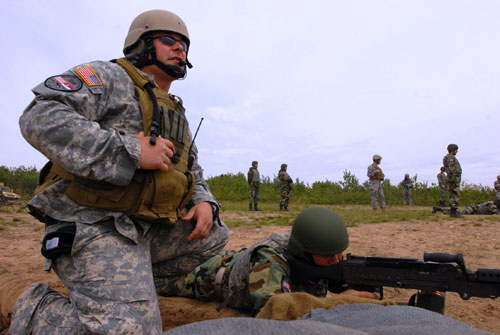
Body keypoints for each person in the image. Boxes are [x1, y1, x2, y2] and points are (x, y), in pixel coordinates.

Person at [3, 10, 229, 334]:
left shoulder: (174, 111)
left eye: (184, 44)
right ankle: (18, 299)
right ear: (142, 45)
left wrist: (204, 200)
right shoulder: (109, 77)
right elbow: (40, 116)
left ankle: (125, 287)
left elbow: (191, 167)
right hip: (92, 222)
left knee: (215, 234)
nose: (180, 49)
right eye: (169, 40)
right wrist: (131, 151)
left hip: (140, 227)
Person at [159, 207, 379, 316]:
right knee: (163, 283)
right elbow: (272, 311)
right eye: (329, 256)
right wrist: (339, 301)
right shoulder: (270, 259)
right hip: (206, 275)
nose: (336, 260)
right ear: (304, 252)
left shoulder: (317, 252)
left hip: (238, 260)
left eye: (340, 253)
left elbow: (342, 281)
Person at [443, 144, 462, 217]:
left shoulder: (447, 158)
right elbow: (451, 169)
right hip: (454, 179)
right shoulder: (451, 158)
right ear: (453, 150)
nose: (457, 151)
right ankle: (454, 212)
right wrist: (455, 178)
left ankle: (453, 211)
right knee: (455, 194)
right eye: (456, 150)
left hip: (452, 178)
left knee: (452, 195)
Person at [433, 201, 499, 215]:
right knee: (461, 212)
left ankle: (439, 209)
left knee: (458, 211)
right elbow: (497, 213)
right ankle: (441, 209)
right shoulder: (492, 205)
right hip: (473, 209)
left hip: (475, 211)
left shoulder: (493, 204)